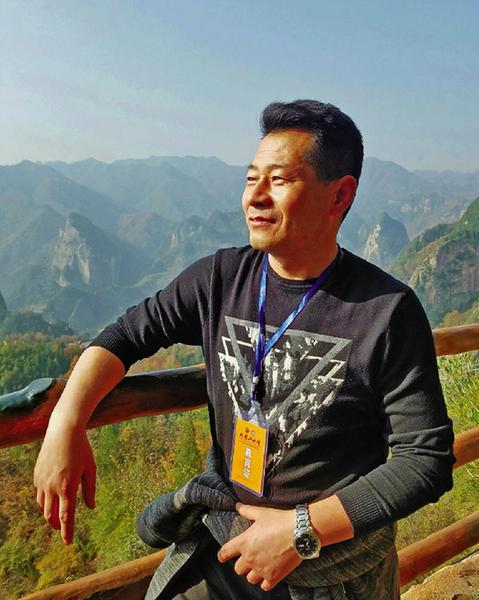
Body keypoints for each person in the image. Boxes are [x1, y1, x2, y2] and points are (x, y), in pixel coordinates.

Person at [34, 100, 454, 599]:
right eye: (251, 178)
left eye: (279, 180)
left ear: (340, 194)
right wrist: (66, 421)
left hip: (330, 568)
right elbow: (124, 336)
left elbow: (424, 459)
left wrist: (301, 530)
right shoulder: (220, 279)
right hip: (226, 541)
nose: (255, 196)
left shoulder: (385, 310)